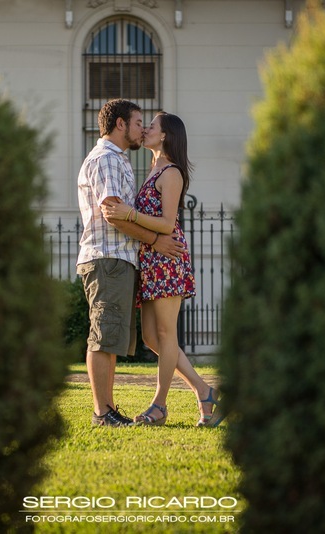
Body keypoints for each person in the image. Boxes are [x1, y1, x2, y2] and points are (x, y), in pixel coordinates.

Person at [102, 112, 223, 427]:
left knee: (167, 334)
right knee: (154, 339)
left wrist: (130, 214)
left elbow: (168, 223)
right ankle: (205, 391)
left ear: (165, 135)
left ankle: (159, 405)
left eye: (151, 127)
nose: (144, 131)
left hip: (168, 258)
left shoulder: (171, 172)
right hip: (152, 259)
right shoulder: (153, 169)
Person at [77, 99, 186, 427]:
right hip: (107, 257)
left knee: (111, 337)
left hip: (118, 259)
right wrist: (154, 240)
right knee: (103, 335)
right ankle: (102, 412)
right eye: (139, 122)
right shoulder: (108, 159)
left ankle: (107, 408)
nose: (143, 129)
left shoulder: (121, 160)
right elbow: (113, 213)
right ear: (121, 124)